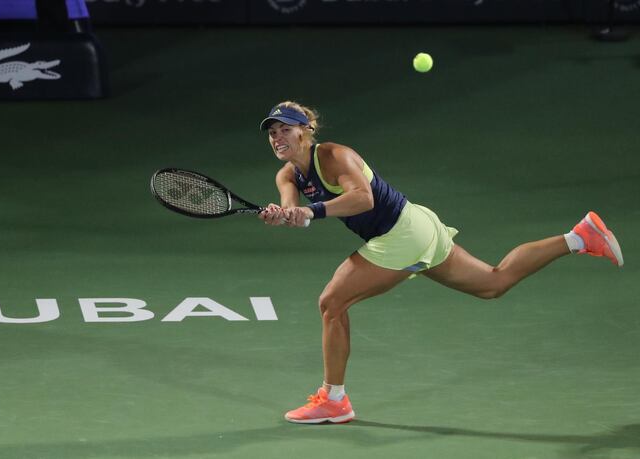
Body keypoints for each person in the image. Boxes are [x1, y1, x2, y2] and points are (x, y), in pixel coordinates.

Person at [257, 101, 624, 424]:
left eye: (285, 129)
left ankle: (334, 401)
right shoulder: (287, 174)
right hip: (417, 227)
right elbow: (295, 211)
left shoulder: (334, 155)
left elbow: (363, 198)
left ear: (307, 131)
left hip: (401, 233)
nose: (277, 137)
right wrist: (283, 215)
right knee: (493, 283)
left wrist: (312, 212)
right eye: (273, 132)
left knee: (332, 303)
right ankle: (580, 237)